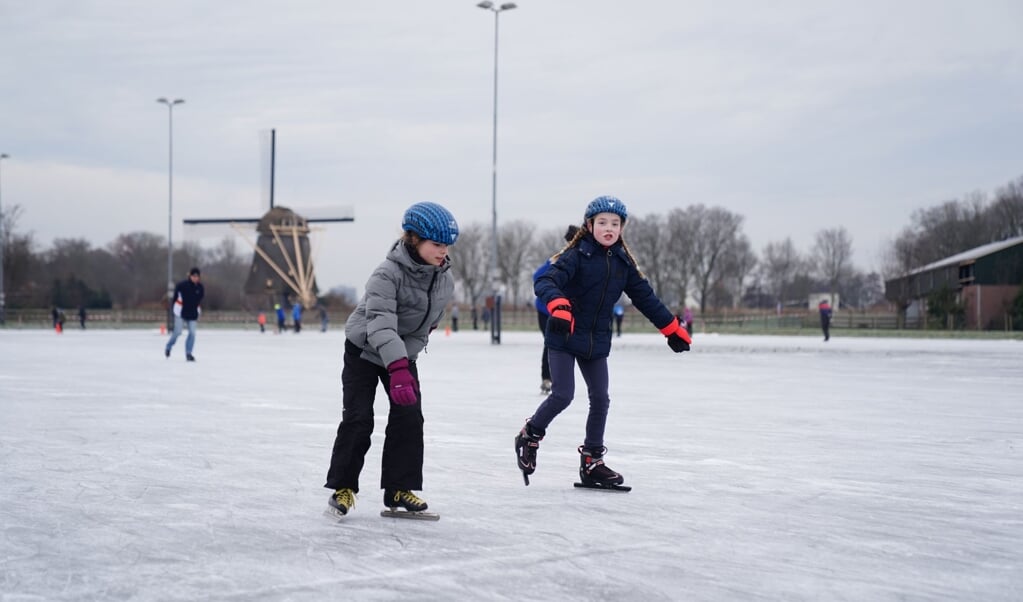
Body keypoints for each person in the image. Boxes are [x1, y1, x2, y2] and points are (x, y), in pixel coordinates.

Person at [515, 196, 692, 489]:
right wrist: (559, 306)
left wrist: (671, 328)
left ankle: (592, 462)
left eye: (615, 223)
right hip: (564, 334)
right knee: (563, 394)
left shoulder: (623, 264)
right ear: (590, 225)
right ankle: (529, 435)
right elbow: (545, 282)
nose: (609, 228)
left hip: (595, 341)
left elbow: (646, 299)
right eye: (602, 223)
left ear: (622, 228)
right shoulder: (575, 256)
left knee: (600, 398)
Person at [325, 201, 458, 517]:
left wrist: (403, 361)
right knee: (359, 419)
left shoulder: (444, 280)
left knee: (410, 417)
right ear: (415, 239)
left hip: (402, 353)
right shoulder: (386, 273)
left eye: (446, 245)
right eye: (436, 244)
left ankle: (399, 488)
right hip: (364, 350)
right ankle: (343, 488)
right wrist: (397, 367)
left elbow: (425, 327)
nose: (443, 251)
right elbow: (381, 323)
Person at [533, 225, 580, 394]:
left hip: (565, 310)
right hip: (546, 310)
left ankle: (560, 379)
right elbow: (538, 277)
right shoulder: (558, 259)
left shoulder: (582, 258)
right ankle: (547, 379)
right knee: (551, 342)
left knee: (566, 343)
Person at [164, 267, 205, 362]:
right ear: (189, 276)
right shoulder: (182, 286)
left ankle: (188, 353)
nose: (195, 278)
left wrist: (197, 310)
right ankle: (168, 347)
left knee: (192, 333)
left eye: (197, 276)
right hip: (180, 311)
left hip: (192, 313)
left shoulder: (200, 288)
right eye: (193, 276)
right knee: (177, 332)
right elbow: (175, 298)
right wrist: (174, 307)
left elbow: (199, 300)